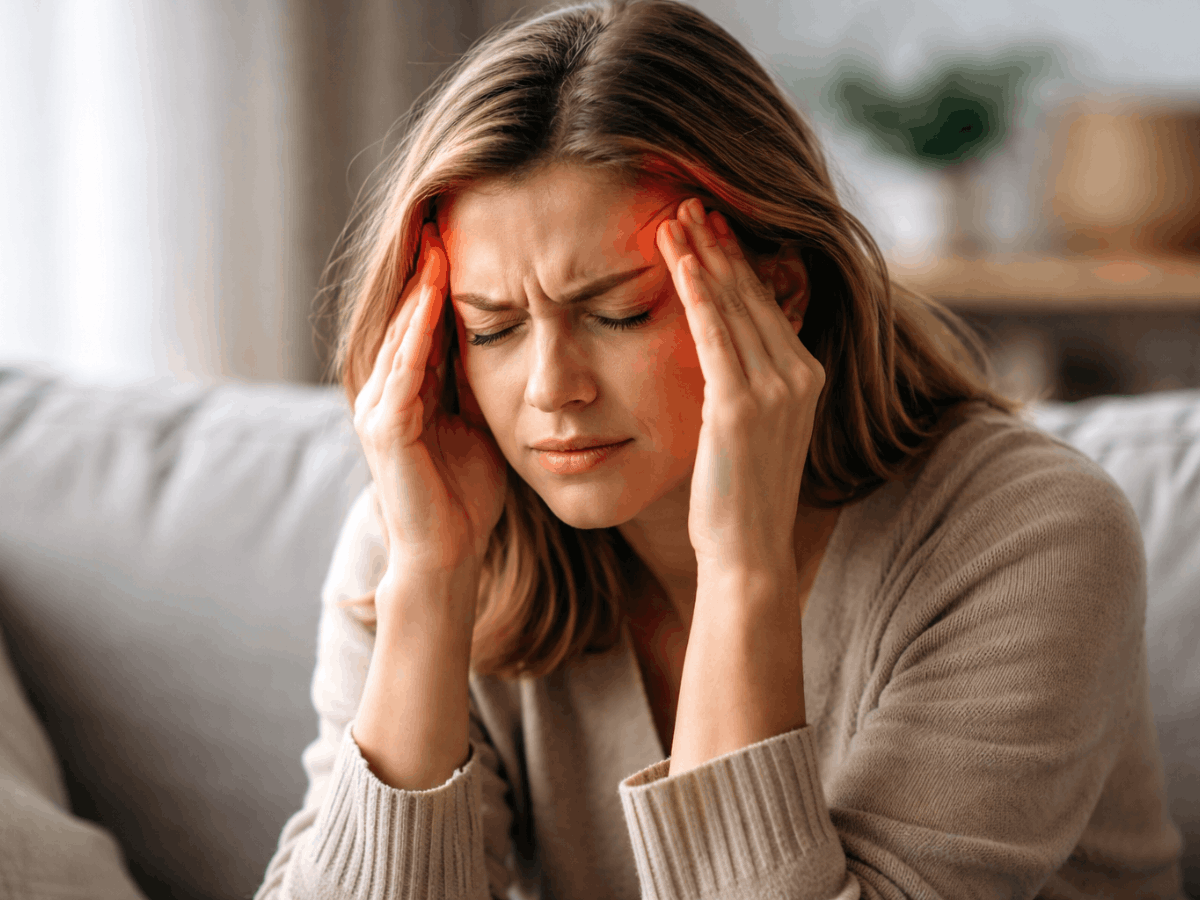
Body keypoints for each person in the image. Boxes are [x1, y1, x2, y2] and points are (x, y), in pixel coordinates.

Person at [256, 1, 1184, 897]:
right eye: (491, 328)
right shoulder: (427, 530)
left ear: (778, 294)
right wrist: (428, 587)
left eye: (619, 312)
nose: (550, 389)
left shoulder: (1030, 537)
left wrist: (741, 568)